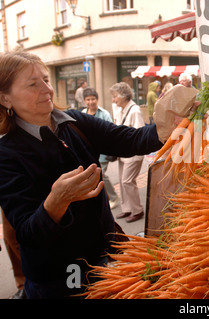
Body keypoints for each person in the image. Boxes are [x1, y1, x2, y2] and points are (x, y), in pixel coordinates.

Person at [0, 50, 163, 298]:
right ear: (5, 98)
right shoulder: (6, 154)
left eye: (46, 79)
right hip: (58, 280)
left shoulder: (74, 122)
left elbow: (128, 139)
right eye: (33, 84)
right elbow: (26, 234)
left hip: (106, 260)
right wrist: (56, 201)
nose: (47, 89)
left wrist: (167, 127)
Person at [110, 82, 147, 223]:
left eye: (115, 97)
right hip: (122, 152)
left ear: (124, 96)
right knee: (121, 181)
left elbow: (139, 132)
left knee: (127, 181)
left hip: (133, 153)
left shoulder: (135, 110)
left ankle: (137, 210)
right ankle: (127, 208)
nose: (113, 100)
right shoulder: (120, 110)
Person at [81, 87, 119, 209]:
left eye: (93, 99)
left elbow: (110, 131)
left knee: (101, 173)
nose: (91, 102)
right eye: (88, 99)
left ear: (97, 99)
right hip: (88, 151)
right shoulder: (82, 114)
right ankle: (101, 199)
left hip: (102, 152)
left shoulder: (104, 114)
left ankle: (113, 197)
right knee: (93, 176)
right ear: (84, 101)